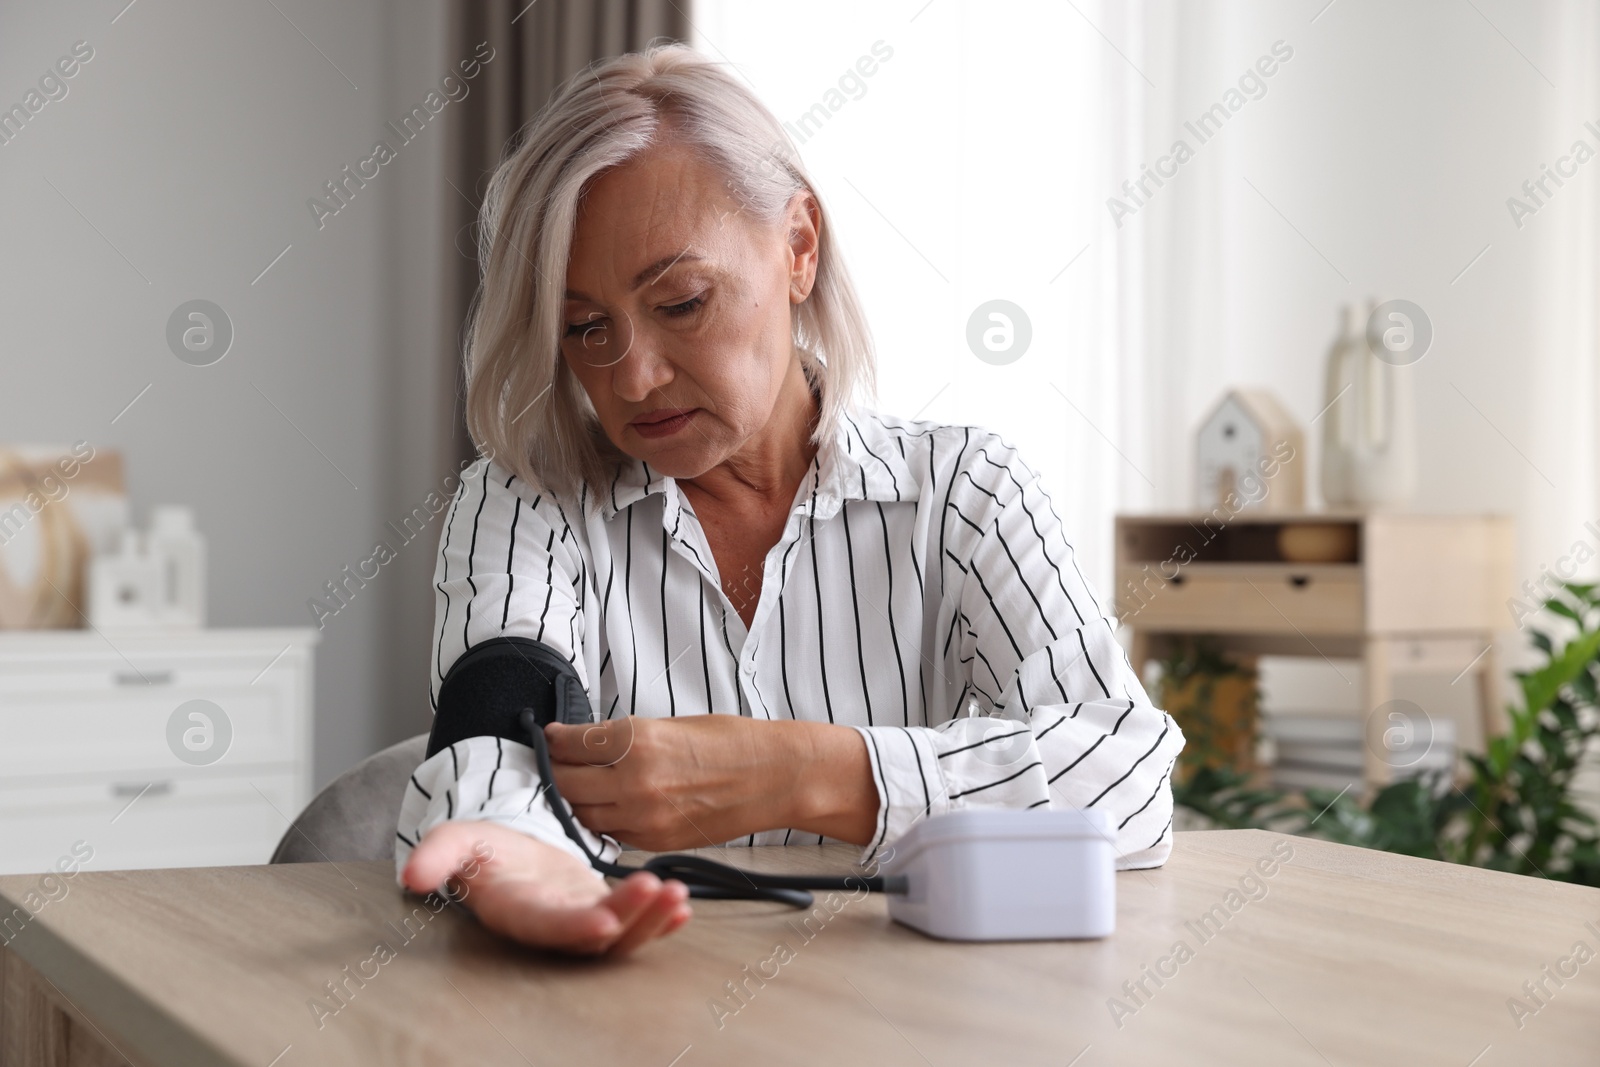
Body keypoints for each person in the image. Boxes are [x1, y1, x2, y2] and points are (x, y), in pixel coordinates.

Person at [396, 41, 1183, 957]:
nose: (636, 376)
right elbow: (494, 736)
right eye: (584, 327)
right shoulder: (523, 502)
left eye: (682, 301)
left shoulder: (968, 494)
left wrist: (802, 772)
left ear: (798, 248)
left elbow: (1127, 780)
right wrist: (516, 859)